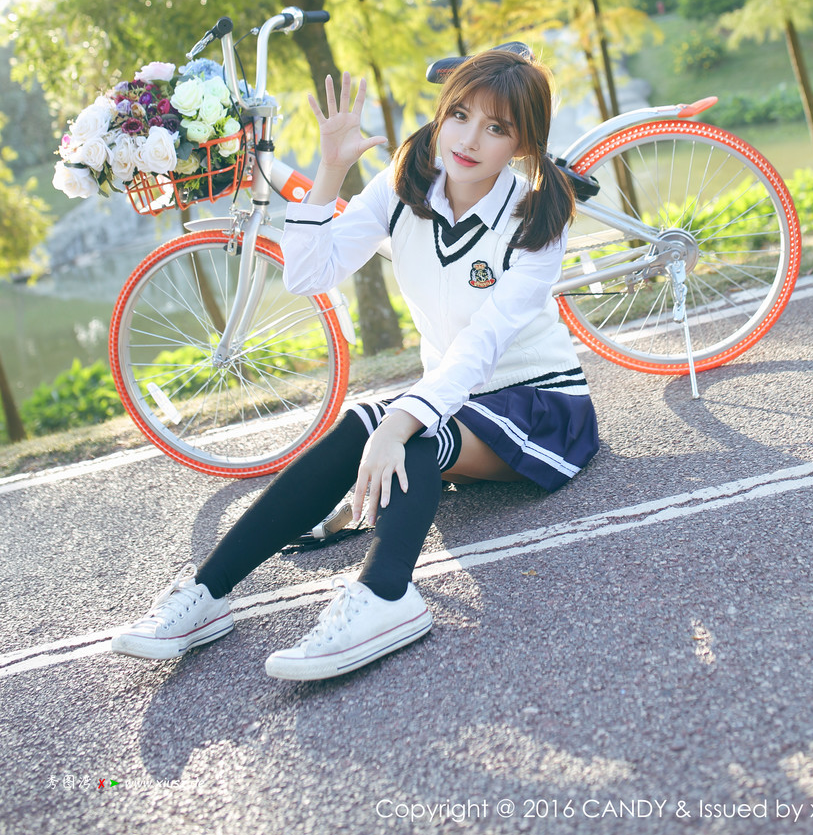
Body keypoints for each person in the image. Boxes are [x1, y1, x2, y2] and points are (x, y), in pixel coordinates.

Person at [111, 47, 599, 680]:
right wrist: (330, 171)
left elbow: (482, 346)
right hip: (455, 399)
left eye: (496, 127)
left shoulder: (536, 217)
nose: (469, 140)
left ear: (523, 143)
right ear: (441, 113)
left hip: (540, 405)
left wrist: (400, 420)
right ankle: (206, 593)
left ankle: (385, 596)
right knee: (373, 424)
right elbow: (309, 275)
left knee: (410, 432)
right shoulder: (404, 186)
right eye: (459, 115)